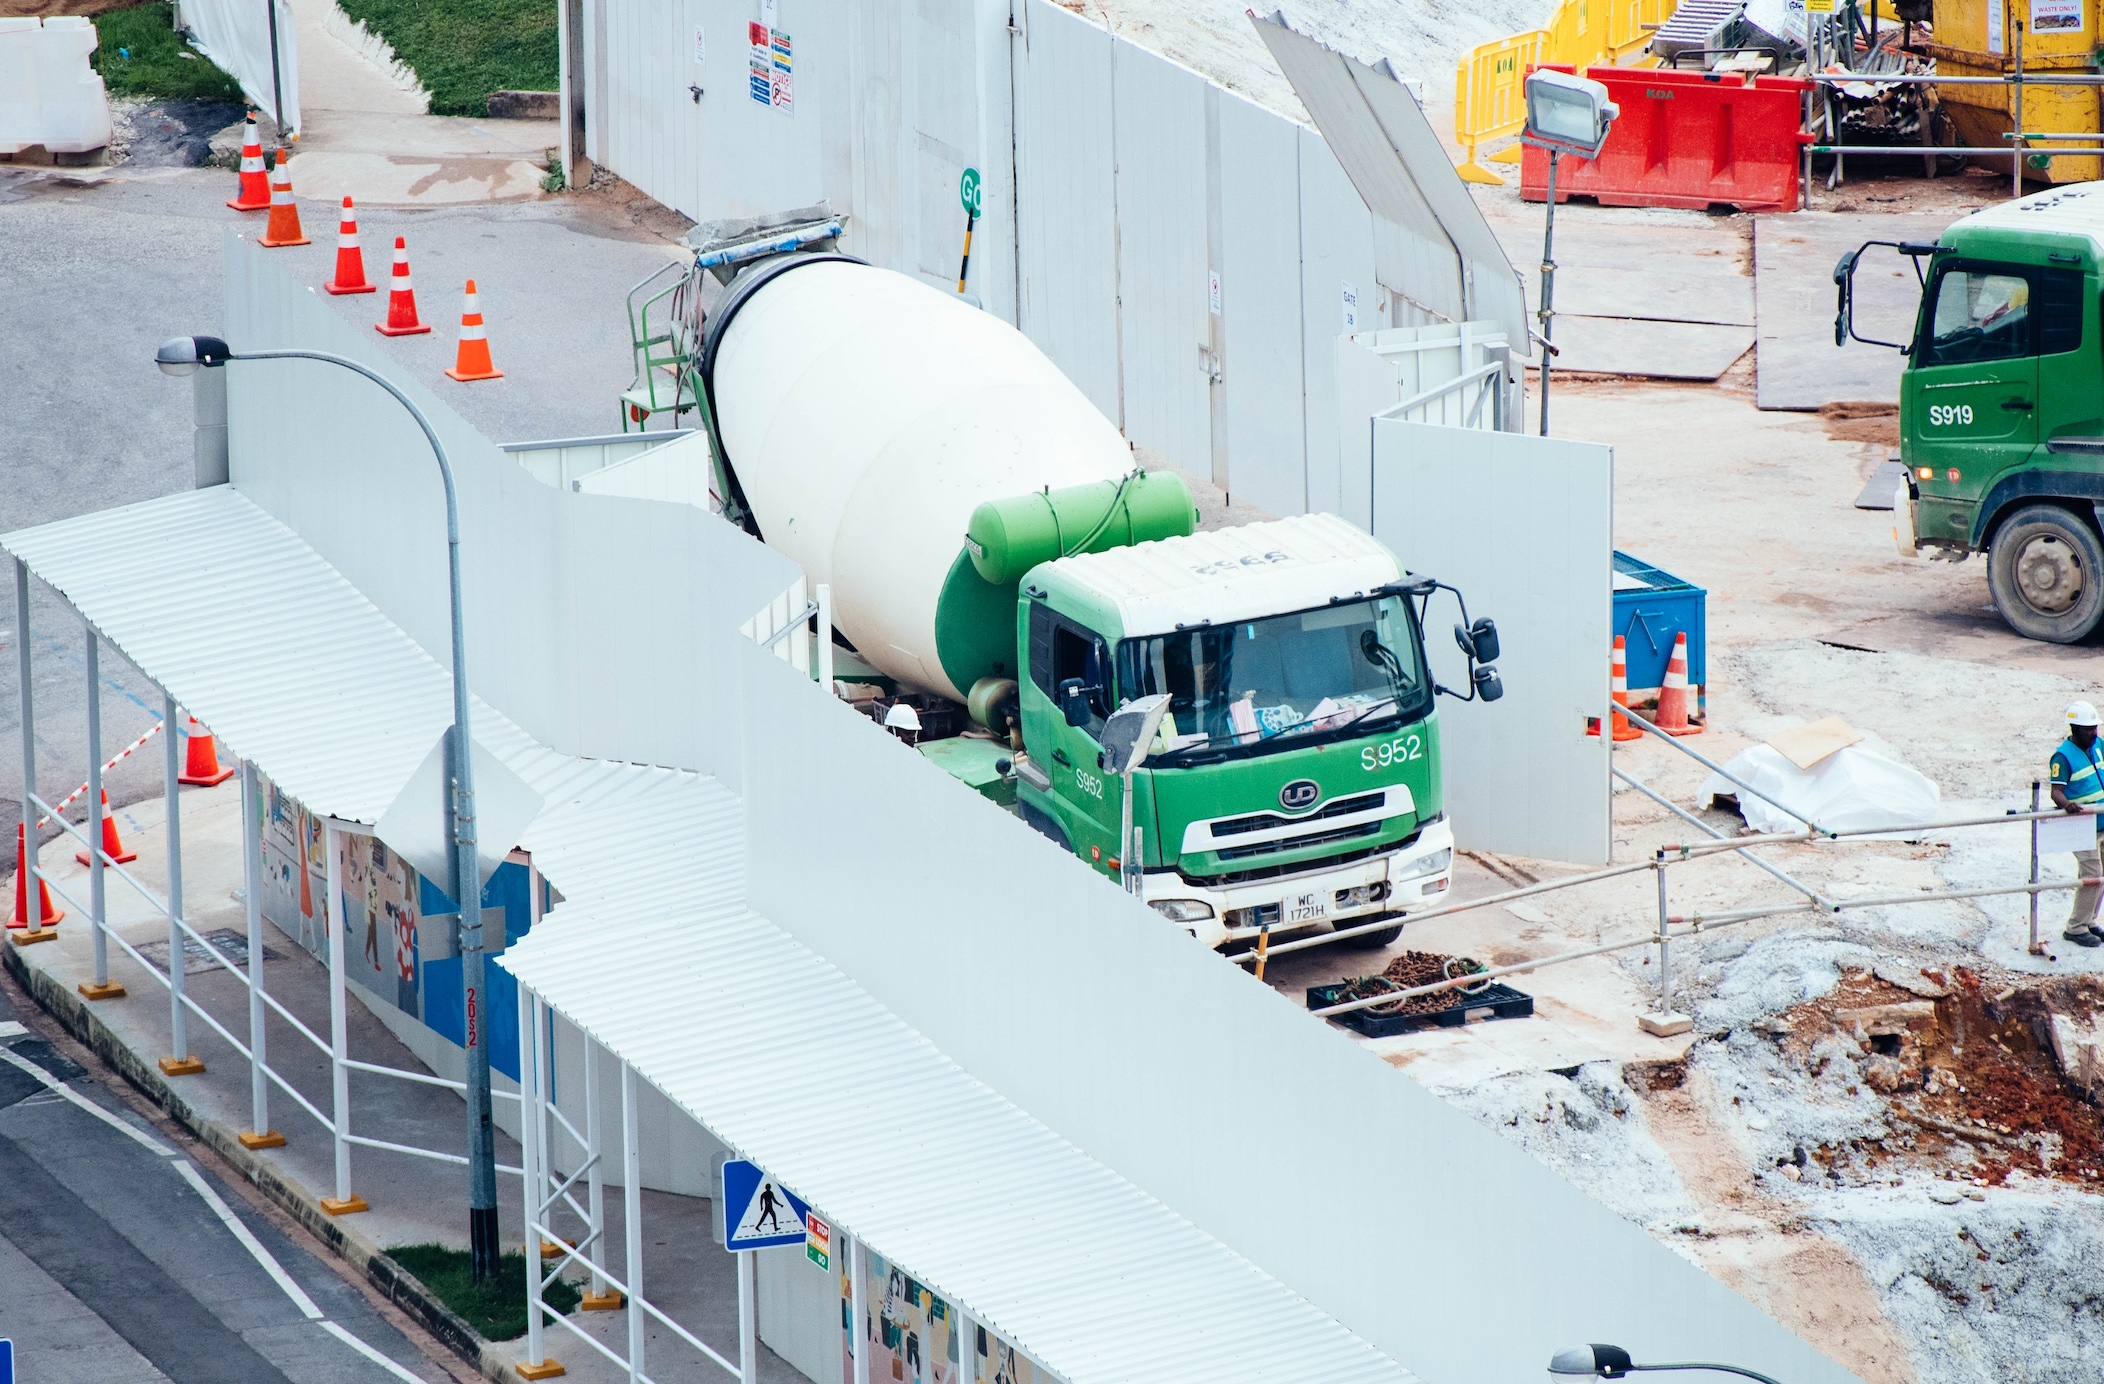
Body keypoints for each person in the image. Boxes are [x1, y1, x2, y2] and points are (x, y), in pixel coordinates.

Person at [2049, 700, 2104, 946]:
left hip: (2102, 820)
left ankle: (2090, 921)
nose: (2093, 733)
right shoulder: (2062, 757)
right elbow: (2056, 792)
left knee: (2102, 876)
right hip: (2083, 826)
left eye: (2095, 728)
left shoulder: (2099, 746)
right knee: (2092, 874)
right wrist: (2068, 805)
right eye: (2088, 729)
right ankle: (2076, 927)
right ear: (2075, 729)